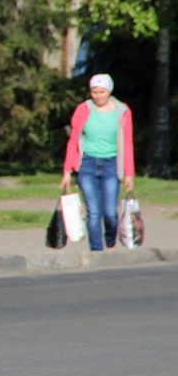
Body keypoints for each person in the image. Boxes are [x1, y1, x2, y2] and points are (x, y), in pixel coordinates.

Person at [60, 73, 135, 251]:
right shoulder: (83, 109)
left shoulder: (122, 111)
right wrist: (67, 171)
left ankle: (110, 243)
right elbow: (73, 140)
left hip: (111, 165)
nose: (98, 96)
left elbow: (127, 143)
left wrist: (129, 174)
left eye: (101, 92)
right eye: (94, 92)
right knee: (93, 212)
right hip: (87, 164)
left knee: (109, 212)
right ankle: (96, 251)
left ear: (109, 91)